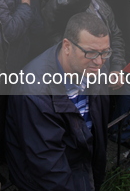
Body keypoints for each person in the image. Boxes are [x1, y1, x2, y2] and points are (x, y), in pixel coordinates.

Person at [6, 13, 111, 190]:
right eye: (91, 53)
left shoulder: (92, 67)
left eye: (105, 52)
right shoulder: (34, 92)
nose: (100, 61)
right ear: (67, 46)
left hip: (80, 166)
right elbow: (48, 166)